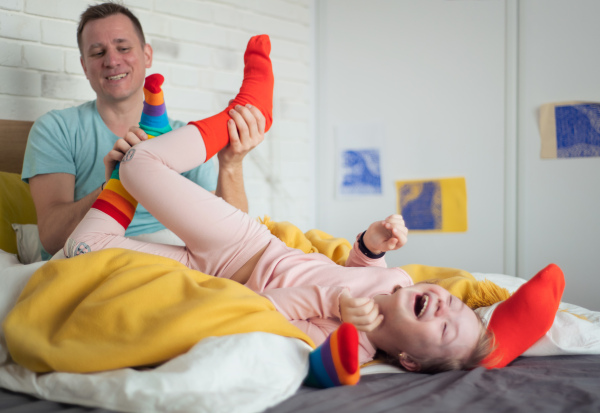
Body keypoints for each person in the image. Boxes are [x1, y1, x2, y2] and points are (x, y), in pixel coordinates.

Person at [64, 34, 493, 380]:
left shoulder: (348, 342)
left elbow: (261, 310)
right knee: (141, 162)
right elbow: (356, 268)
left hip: (208, 279)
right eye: (454, 304)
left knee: (80, 248)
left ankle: (129, 165)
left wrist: (331, 302)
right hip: (244, 245)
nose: (445, 306)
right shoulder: (395, 281)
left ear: (409, 361)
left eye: (446, 327)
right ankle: (246, 113)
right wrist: (372, 246)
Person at [21, 2, 263, 259]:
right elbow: (50, 238)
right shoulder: (56, 129)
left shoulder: (184, 137)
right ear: (84, 66)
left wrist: (231, 164)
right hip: (96, 257)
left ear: (147, 55)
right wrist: (116, 182)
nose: (112, 61)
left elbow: (234, 242)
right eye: (97, 52)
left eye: (123, 48)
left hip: (176, 260)